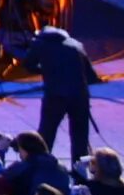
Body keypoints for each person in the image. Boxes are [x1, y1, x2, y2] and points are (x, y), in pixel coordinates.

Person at [33, 28, 94, 164]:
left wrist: (46, 70)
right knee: (80, 136)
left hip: (55, 95)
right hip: (79, 95)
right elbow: (90, 74)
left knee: (47, 132)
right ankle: (80, 172)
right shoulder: (76, 44)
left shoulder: (40, 44)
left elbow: (28, 64)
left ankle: (40, 165)